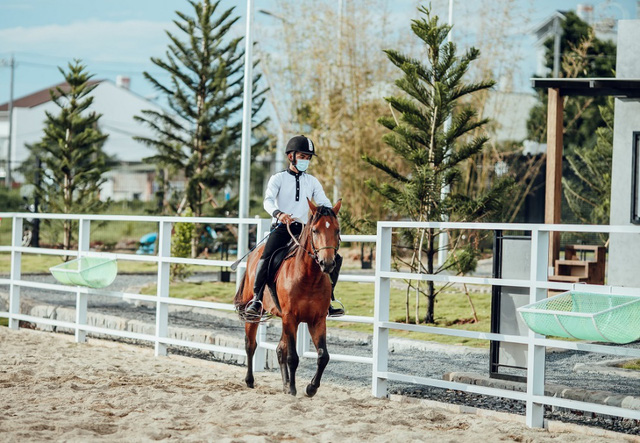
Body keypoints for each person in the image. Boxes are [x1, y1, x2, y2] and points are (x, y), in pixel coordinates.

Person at [244, 135, 344, 319]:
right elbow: (267, 201)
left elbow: (323, 201)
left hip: (305, 231)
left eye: (308, 158)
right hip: (282, 228)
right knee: (266, 256)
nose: (305, 160)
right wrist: (279, 214)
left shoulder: (312, 181)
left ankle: (329, 300)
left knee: (334, 257)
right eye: (302, 156)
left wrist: (329, 212)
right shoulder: (278, 178)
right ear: (291, 156)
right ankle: (257, 299)